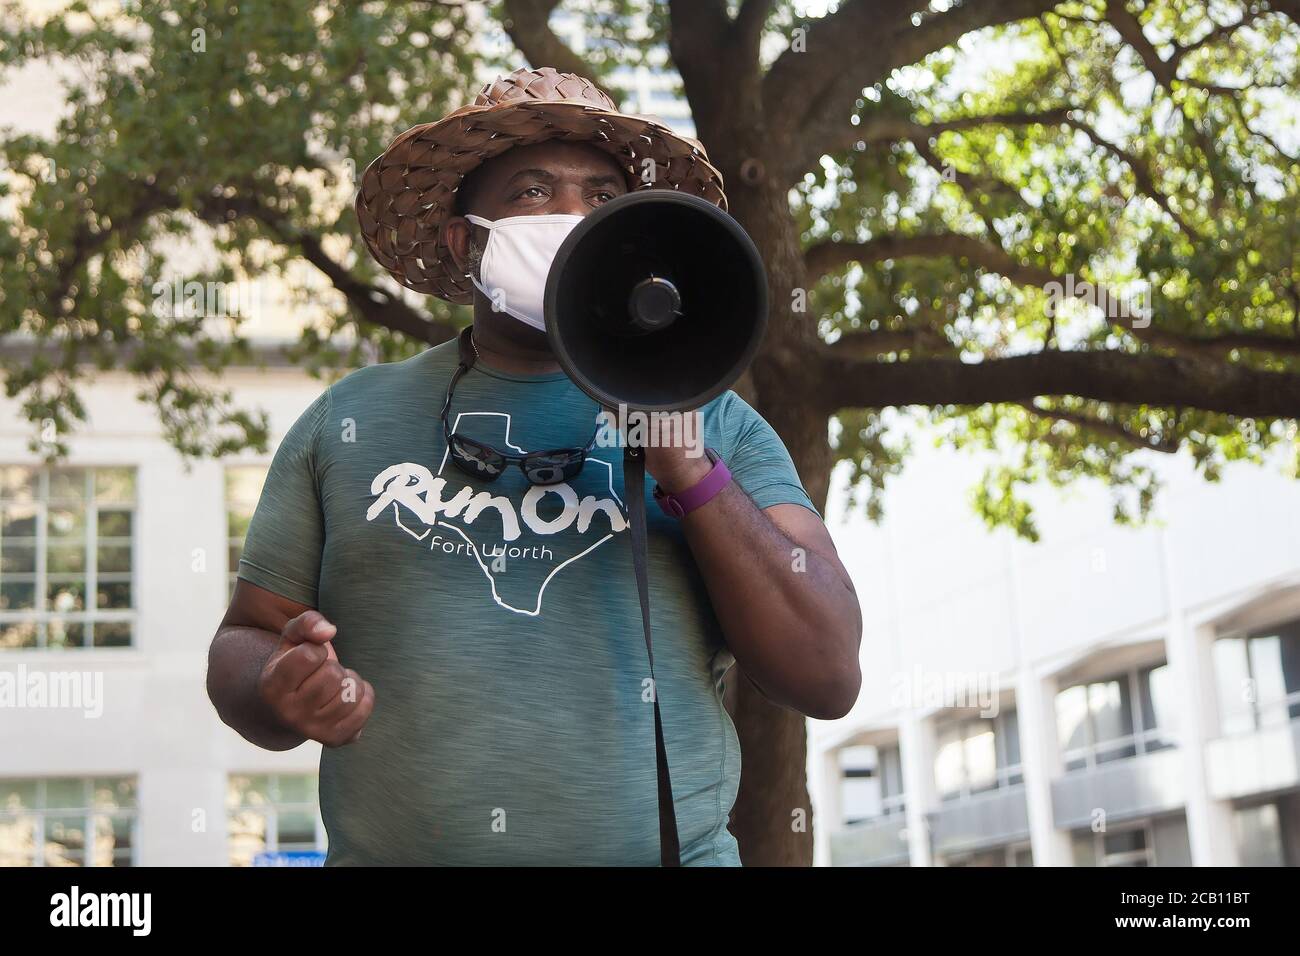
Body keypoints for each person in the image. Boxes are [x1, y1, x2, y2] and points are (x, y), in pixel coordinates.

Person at [206, 66, 862, 866]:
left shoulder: (717, 418)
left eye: (602, 199)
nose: (572, 219)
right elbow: (246, 638)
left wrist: (692, 473)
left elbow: (826, 673)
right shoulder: (347, 421)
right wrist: (280, 680)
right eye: (531, 193)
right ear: (465, 240)